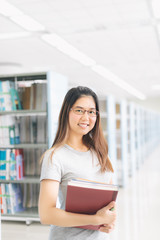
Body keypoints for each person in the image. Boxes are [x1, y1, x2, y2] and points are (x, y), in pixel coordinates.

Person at [38, 86, 117, 240]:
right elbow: (46, 214)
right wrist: (96, 219)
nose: (86, 118)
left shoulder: (101, 153)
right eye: (79, 110)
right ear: (67, 112)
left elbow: (110, 200)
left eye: (91, 112)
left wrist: (109, 220)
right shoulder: (55, 156)